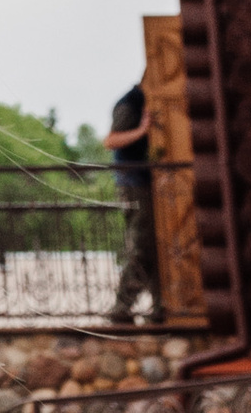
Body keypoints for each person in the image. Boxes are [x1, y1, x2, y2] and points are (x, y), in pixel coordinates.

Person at [106, 79, 158, 324]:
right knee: (142, 245)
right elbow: (111, 140)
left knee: (156, 246)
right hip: (133, 183)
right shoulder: (131, 102)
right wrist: (143, 131)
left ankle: (160, 306)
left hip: (146, 183)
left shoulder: (143, 100)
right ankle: (121, 308)